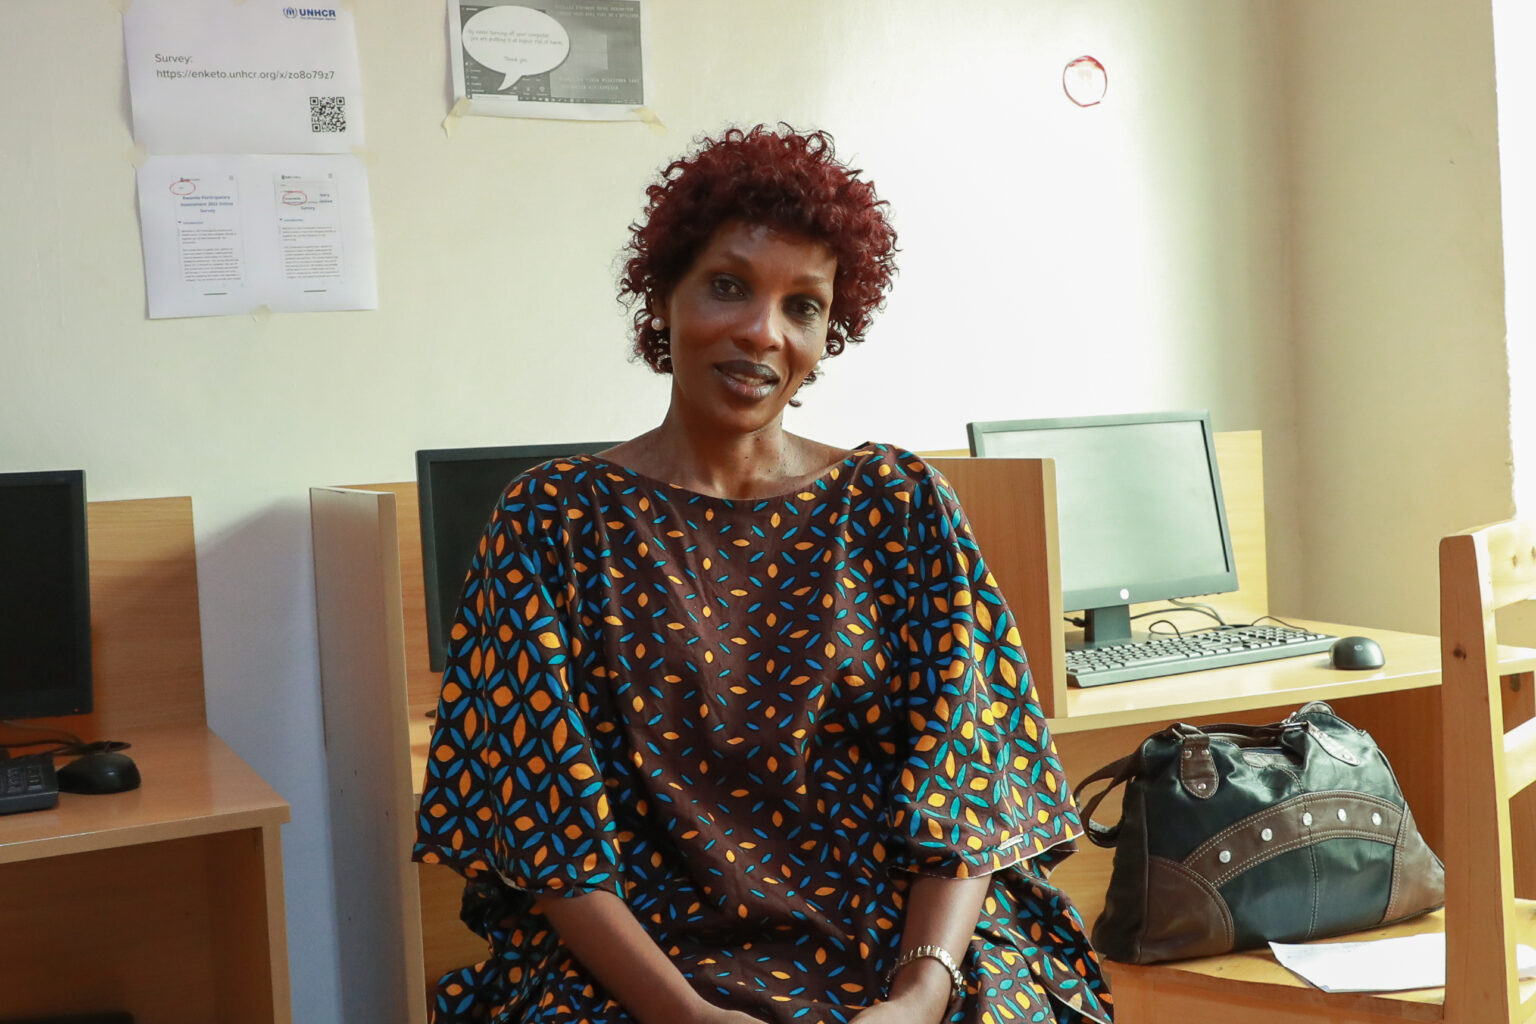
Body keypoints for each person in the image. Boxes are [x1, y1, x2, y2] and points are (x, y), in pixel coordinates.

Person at [413, 124, 1112, 1024]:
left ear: (832, 329)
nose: (760, 332)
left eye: (802, 306)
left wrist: (922, 994)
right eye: (730, 286)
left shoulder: (898, 505)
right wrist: (686, 1016)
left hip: (901, 944)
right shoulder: (550, 522)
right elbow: (548, 835)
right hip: (643, 965)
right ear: (663, 295)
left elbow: (968, 780)